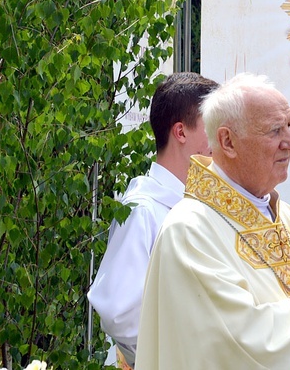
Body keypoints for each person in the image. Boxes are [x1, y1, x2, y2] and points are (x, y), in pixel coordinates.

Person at [135, 73, 290, 369]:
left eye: (289, 126)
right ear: (227, 141)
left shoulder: (285, 217)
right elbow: (228, 344)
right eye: (275, 131)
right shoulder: (189, 230)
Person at [87, 72, 219, 369]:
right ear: (181, 132)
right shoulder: (143, 209)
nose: (220, 140)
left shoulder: (202, 204)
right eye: (211, 126)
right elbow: (119, 312)